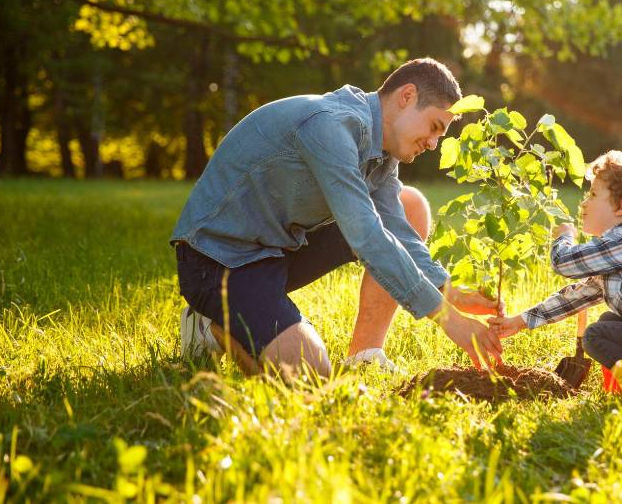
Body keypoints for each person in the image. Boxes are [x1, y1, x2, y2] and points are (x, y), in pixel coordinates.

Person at [171, 58, 503, 378]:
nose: (433, 143)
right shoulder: (331, 125)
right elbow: (367, 236)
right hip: (218, 260)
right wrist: (449, 320)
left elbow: (397, 229)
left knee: (409, 205)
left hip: (275, 249)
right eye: (434, 127)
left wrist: (449, 292)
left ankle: (365, 356)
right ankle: (211, 325)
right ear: (407, 96)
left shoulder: (382, 153)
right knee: (310, 374)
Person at [487, 150, 622, 401]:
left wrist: (564, 237)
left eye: (593, 194)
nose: (583, 203)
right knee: (608, 321)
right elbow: (575, 297)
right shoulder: (619, 253)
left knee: (595, 335)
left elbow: (563, 263)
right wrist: (519, 321)